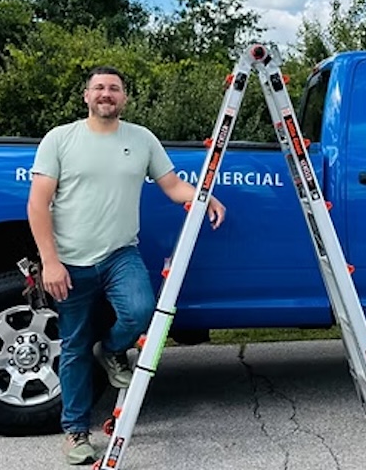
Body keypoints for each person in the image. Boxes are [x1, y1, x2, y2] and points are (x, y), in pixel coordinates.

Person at [26, 65, 226, 465]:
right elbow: (37, 203)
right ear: (86, 96)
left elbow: (171, 186)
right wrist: (50, 262)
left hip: (121, 253)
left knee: (140, 310)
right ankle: (76, 432)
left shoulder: (142, 139)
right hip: (69, 261)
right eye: (99, 88)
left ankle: (114, 349)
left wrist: (205, 198)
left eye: (114, 88)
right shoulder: (60, 139)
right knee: (74, 348)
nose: (106, 94)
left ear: (124, 98)